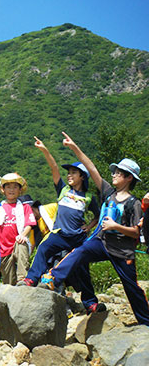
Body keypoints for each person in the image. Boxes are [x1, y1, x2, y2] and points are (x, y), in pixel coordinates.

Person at [39, 133, 149, 325]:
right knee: (79, 252)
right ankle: (53, 278)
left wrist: (115, 226)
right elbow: (91, 167)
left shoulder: (134, 203)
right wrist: (74, 147)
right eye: (114, 172)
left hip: (123, 251)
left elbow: (136, 232)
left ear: (129, 178)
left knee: (131, 287)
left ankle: (146, 322)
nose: (113, 174)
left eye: (118, 172)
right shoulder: (108, 192)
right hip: (103, 243)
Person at [18, 137, 100, 287]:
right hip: (60, 234)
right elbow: (54, 168)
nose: (69, 175)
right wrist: (45, 150)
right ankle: (31, 279)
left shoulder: (88, 197)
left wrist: (89, 227)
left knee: (82, 266)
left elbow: (98, 215)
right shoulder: (63, 189)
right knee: (43, 248)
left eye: (73, 172)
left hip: (77, 237)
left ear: (82, 176)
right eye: (69, 172)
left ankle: (90, 303)